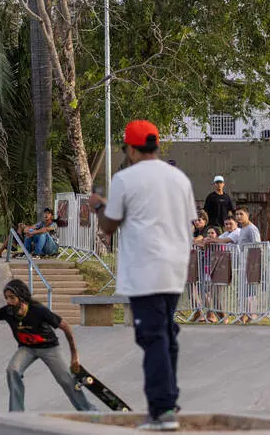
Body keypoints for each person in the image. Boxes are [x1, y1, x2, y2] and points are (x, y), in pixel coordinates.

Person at [89, 120, 196, 431]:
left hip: (145, 270)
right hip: (175, 269)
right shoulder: (179, 178)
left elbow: (109, 225)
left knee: (153, 336)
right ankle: (169, 400)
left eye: (126, 149)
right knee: (166, 333)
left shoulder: (126, 179)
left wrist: (98, 207)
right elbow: (187, 219)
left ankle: (162, 411)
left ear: (132, 149)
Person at [0, 279, 94, 413]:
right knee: (12, 370)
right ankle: (16, 413)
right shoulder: (7, 311)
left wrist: (75, 355)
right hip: (27, 349)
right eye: (6, 298)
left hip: (49, 348)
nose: (8, 301)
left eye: (12, 297)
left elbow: (66, 327)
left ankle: (89, 412)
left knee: (66, 380)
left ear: (22, 297)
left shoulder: (39, 310)